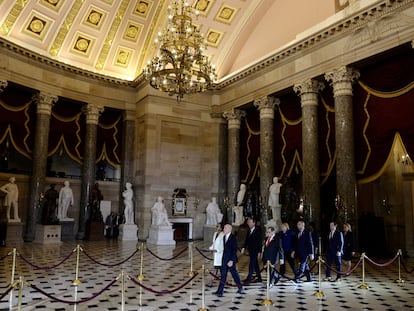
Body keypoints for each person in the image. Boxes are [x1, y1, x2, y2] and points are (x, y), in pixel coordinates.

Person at [214, 224, 244, 297]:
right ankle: (220, 291)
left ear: (229, 229)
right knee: (223, 276)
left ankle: (240, 287)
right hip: (224, 259)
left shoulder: (233, 238)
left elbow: (234, 250)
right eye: (224, 228)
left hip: (230, 260)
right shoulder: (224, 237)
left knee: (234, 274)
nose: (223, 229)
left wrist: (231, 260)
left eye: (225, 228)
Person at [241, 218, 262, 283]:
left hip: (255, 250)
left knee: (251, 264)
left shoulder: (258, 231)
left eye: (250, 222)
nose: (249, 224)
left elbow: (259, 242)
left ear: (254, 223)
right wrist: (243, 247)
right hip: (250, 250)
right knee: (255, 264)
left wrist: (259, 251)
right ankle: (259, 278)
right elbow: (246, 240)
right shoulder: (248, 231)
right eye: (248, 222)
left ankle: (249, 279)